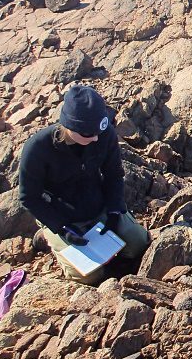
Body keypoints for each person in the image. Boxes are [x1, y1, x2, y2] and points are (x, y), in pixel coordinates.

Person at [18, 84, 150, 285]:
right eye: (89, 135)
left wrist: (114, 210)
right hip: (63, 218)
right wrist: (61, 228)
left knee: (138, 244)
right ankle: (49, 238)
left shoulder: (103, 134)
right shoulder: (37, 149)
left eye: (98, 131)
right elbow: (29, 197)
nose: (96, 138)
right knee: (89, 276)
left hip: (99, 207)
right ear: (69, 126)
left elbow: (114, 174)